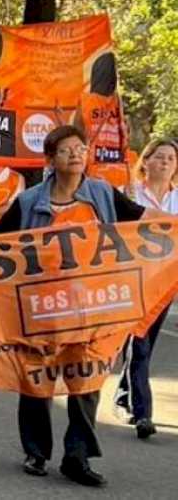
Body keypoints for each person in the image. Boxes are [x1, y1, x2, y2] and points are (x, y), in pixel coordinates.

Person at [0, 125, 165, 487]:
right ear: (50, 158)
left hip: (91, 307)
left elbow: (143, 222)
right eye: (67, 149)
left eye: (81, 148)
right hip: (40, 306)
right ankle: (36, 451)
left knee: (86, 380)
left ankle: (78, 456)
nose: (76, 154)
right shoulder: (28, 201)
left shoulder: (101, 193)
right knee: (37, 378)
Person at [114, 139, 178, 439]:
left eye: (171, 158)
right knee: (138, 344)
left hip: (165, 282)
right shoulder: (131, 193)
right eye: (160, 157)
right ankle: (143, 413)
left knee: (145, 344)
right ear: (147, 161)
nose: (165, 162)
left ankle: (125, 395)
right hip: (133, 277)